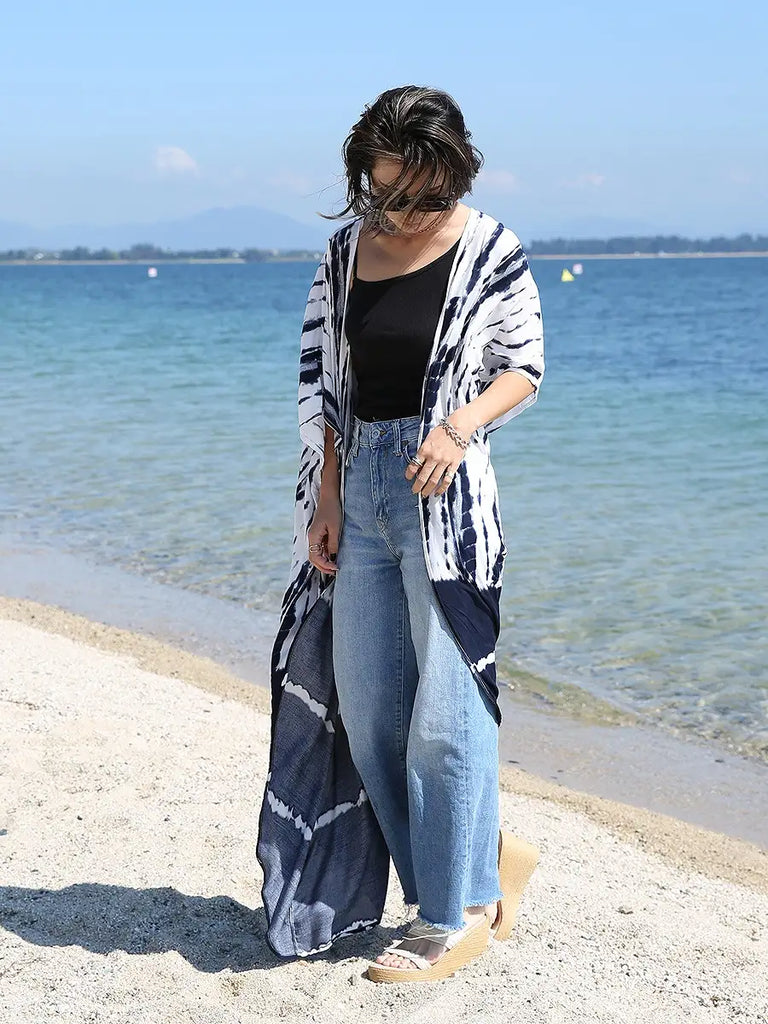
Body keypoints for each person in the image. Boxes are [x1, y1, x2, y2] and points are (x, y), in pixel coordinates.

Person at [298, 85, 544, 983]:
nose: (401, 211)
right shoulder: (343, 252)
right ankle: (484, 859)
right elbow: (322, 381)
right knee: (371, 718)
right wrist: (327, 494)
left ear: (452, 173)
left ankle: (454, 914)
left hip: (448, 502)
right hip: (359, 489)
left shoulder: (491, 249)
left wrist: (460, 425)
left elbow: (525, 368)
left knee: (445, 717)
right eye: (385, 192)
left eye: (421, 194)